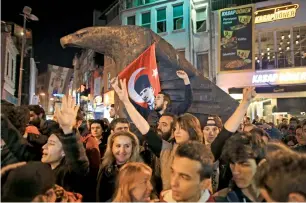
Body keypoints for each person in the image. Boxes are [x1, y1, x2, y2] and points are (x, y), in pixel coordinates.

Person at [1, 96, 90, 199]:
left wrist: (68, 131)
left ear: (64, 151)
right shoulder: (42, 167)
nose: (44, 146)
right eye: (46, 142)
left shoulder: (71, 174)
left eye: (51, 143)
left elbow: (78, 161)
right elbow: (19, 147)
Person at [214, 132, 266, 202]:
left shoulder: (279, 196)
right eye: (232, 163)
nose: (235, 171)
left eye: (244, 164)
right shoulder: (221, 199)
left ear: (261, 165)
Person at [96, 131, 142, 202]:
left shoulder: (140, 171)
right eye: (118, 146)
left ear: (133, 148)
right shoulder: (105, 168)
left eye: (127, 146)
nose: (122, 150)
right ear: (111, 147)